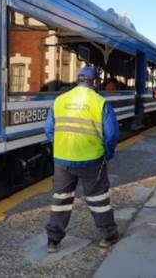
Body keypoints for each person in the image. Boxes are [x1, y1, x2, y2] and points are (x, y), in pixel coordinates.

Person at [44, 66, 120, 253]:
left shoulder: (60, 100)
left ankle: (53, 241)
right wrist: (108, 153)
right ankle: (107, 236)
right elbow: (111, 135)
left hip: (62, 160)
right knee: (98, 200)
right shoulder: (100, 102)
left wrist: (61, 145)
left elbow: (49, 130)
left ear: (78, 80)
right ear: (95, 82)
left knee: (61, 200)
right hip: (91, 160)